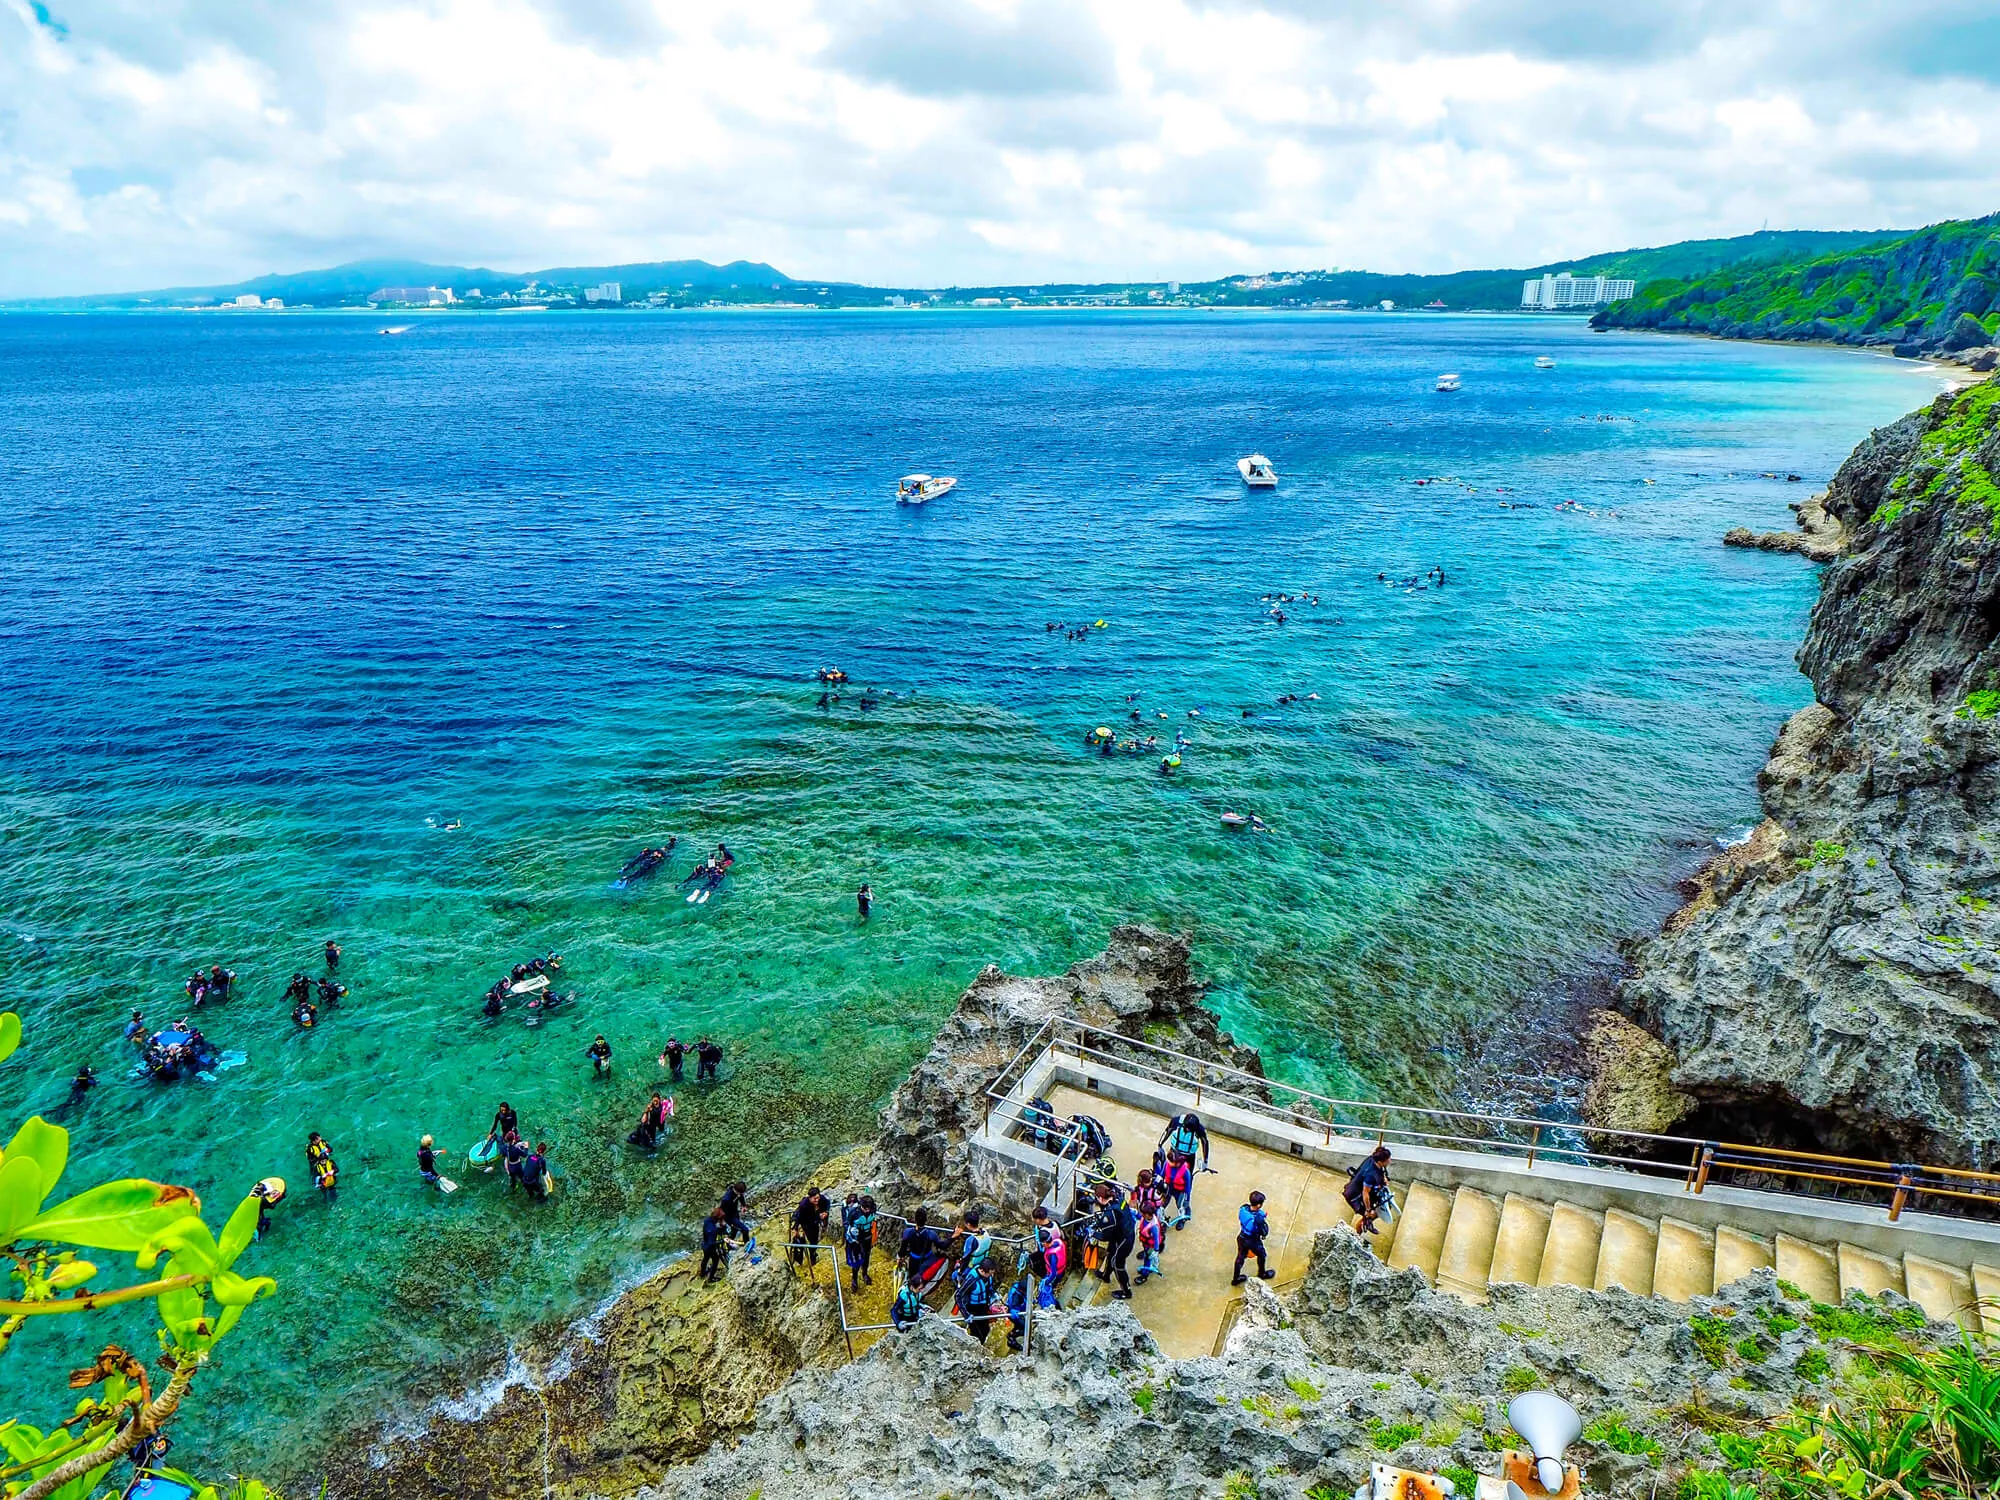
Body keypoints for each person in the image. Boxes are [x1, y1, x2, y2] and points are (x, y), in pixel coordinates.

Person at [1090, 1180, 1136, 1300]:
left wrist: (1093, 1233)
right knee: (1111, 1255)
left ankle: (1127, 1292)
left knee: (1118, 1264)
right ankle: (1105, 1276)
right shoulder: (1119, 1199)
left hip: (1124, 1241)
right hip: (1123, 1234)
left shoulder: (1110, 1214)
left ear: (1100, 1198)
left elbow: (1105, 1236)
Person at [1343, 1145, 1393, 1236]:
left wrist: (1384, 1178)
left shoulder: (1373, 1160)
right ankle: (1358, 1232)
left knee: (1383, 1208)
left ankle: (1367, 1223)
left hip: (1366, 1191)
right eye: (1388, 1160)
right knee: (1371, 1215)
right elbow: (1365, 1193)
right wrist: (1368, 1210)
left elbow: (1381, 1171)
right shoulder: (1370, 1175)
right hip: (1355, 1196)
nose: (1390, 1161)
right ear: (1381, 1162)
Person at [1232, 1191, 1274, 1285]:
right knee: (1262, 1255)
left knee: (1240, 1257)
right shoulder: (1256, 1220)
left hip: (1242, 1237)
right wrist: (1261, 1220)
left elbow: (1254, 1215)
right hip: (1252, 1240)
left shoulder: (1243, 1209)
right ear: (1259, 1205)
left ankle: (1236, 1278)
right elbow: (1261, 1230)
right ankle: (1262, 1273)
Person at [955, 1256, 998, 1344]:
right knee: (977, 1334)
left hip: (983, 1306)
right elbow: (958, 1296)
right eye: (990, 1274)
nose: (991, 1275)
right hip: (972, 1309)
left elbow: (988, 1288)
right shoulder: (971, 1280)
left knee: (986, 1330)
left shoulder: (987, 1276)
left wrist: (994, 1296)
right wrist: (966, 1314)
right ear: (982, 1271)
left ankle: (981, 1344)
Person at [842, 1193, 878, 1291]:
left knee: (866, 1257)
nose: (867, 1210)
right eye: (865, 1208)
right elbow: (846, 1223)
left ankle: (865, 1274)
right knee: (856, 1259)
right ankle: (854, 1279)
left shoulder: (873, 1209)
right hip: (856, 1239)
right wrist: (850, 1230)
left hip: (867, 1237)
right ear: (861, 1206)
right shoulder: (854, 1213)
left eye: (869, 1208)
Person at [789, 1187, 831, 1268]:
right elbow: (799, 1217)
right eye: (814, 1199)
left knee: (815, 1239)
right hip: (806, 1223)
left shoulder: (821, 1198)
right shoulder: (804, 1205)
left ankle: (813, 1253)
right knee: (812, 1239)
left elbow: (828, 1203)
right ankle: (812, 1256)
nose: (817, 1200)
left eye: (817, 1198)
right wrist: (795, 1228)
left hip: (816, 1220)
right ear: (809, 1197)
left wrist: (826, 1212)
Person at [900, 1206, 943, 1284]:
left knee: (912, 1279)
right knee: (924, 1278)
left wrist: (901, 1257)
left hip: (913, 1260)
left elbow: (902, 1250)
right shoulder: (931, 1234)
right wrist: (953, 1237)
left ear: (915, 1219)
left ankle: (912, 1289)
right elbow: (943, 1246)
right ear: (926, 1220)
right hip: (927, 1259)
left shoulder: (908, 1232)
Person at [953, 1208, 992, 1276]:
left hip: (972, 1266)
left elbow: (966, 1258)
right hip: (982, 1262)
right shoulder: (985, 1232)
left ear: (968, 1224)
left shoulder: (971, 1240)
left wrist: (960, 1270)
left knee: (954, 1275)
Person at [720, 1180, 754, 1251]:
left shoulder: (738, 1192)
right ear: (736, 1191)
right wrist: (722, 1221)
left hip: (735, 1213)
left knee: (734, 1230)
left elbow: (741, 1196)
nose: (741, 1194)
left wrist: (743, 1205)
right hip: (729, 1217)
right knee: (745, 1230)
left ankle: (727, 1245)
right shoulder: (726, 1199)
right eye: (740, 1193)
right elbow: (721, 1211)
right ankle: (746, 1244)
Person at [699, 1205, 730, 1283]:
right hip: (710, 1248)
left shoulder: (707, 1220)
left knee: (705, 1258)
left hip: (704, 1244)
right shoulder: (713, 1230)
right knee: (715, 1260)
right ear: (718, 1219)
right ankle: (711, 1278)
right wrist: (722, 1240)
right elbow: (712, 1243)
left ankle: (702, 1273)